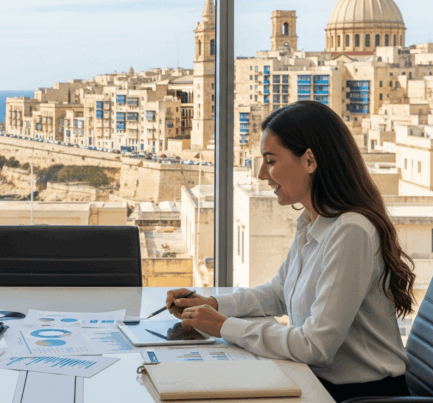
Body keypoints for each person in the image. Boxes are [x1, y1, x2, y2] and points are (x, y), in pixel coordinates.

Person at [166, 101, 416, 402]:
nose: (261, 174)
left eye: (270, 161)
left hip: (360, 396)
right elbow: (279, 292)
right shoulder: (314, 222)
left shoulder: (352, 231)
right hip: (320, 383)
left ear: (309, 160)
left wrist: (224, 327)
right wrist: (214, 303)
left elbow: (316, 346)